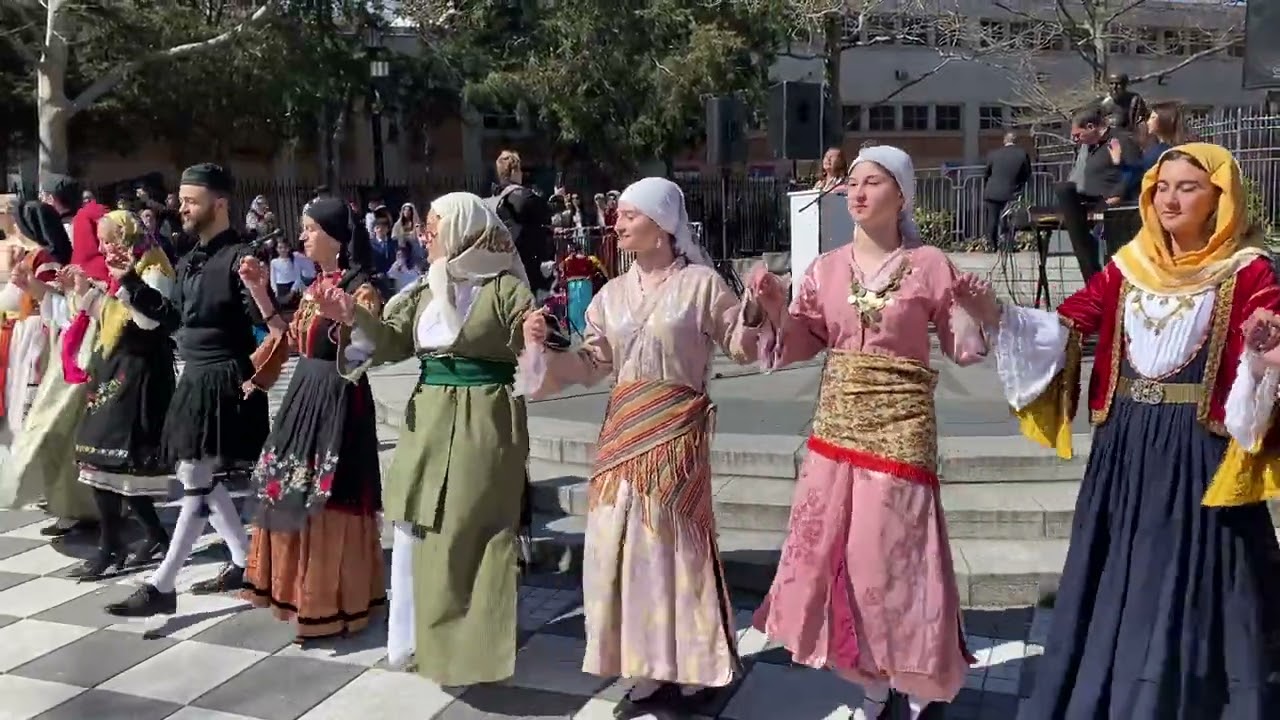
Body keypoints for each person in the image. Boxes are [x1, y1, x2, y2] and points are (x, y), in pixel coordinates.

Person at [956, 143, 1280, 719]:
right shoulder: (1132, 263)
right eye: (1162, 186)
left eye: (1187, 187)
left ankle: (1177, 698)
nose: (1170, 198)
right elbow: (1068, 323)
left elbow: (1266, 353)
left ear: (1219, 200)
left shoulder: (1248, 270)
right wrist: (997, 317)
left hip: (1196, 449)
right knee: (1117, 571)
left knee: (1189, 580)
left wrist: (1262, 358)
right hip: (1126, 445)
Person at [746, 145, 987, 720]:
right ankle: (871, 680)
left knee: (897, 557)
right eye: (852, 183)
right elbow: (804, 341)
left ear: (901, 194)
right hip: (836, 429)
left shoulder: (930, 264)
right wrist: (776, 307)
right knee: (848, 558)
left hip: (901, 427)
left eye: (873, 182)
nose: (857, 193)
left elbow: (961, 348)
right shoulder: (825, 269)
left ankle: (921, 677)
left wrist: (978, 311)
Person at [518, 177, 765, 717]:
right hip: (623, 430)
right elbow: (590, 363)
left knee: (674, 544)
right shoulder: (609, 295)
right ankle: (644, 665)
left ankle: (695, 664)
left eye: (629, 215)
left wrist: (755, 308)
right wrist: (543, 346)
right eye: (618, 214)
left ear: (662, 224)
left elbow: (744, 348)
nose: (618, 222)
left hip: (677, 430)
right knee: (621, 544)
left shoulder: (700, 284)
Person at [313, 191, 532, 684]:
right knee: (413, 522)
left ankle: (471, 649)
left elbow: (530, 338)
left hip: (484, 417)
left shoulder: (503, 289)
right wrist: (352, 316)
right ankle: (412, 641)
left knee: (470, 529)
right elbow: (388, 340)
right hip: (427, 416)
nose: (424, 234)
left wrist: (539, 332)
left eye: (434, 226)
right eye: (425, 226)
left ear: (461, 229)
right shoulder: (423, 290)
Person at [106, 163, 285, 617]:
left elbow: (269, 323)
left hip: (224, 379)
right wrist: (128, 281)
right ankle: (245, 561)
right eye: (181, 199)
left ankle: (163, 584)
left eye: (190, 199)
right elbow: (173, 319)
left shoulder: (243, 256)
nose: (180, 206)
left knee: (196, 478)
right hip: (194, 376)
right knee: (196, 478)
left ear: (219, 203)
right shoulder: (190, 258)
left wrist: (261, 290)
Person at [237, 198, 385, 641]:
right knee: (288, 490)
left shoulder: (361, 291)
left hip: (339, 400)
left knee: (329, 497)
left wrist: (344, 319)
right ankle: (301, 594)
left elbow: (365, 353)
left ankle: (333, 602)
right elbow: (289, 338)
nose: (302, 237)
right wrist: (261, 292)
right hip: (304, 397)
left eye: (310, 229)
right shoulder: (314, 286)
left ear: (336, 237)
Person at [59, 210, 176, 578]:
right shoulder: (120, 272)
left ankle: (114, 546)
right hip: (113, 369)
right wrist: (83, 290)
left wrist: (126, 280)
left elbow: (150, 320)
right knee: (104, 459)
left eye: (112, 239)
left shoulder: (154, 269)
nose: (106, 246)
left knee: (117, 459)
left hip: (140, 373)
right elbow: (109, 316)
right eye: (103, 240)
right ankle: (150, 535)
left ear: (129, 237)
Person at [0, 201, 99, 534]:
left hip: (70, 363)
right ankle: (68, 506)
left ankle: (88, 511)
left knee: (68, 436)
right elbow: (61, 310)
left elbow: (74, 315)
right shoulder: (67, 269)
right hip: (63, 359)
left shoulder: (66, 265)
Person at [1056, 105, 1142, 282]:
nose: (1076, 139)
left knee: (1113, 264)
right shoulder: (1093, 148)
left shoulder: (1121, 141)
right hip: (1095, 205)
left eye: (1078, 135)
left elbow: (1135, 171)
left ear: (1091, 127)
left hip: (1115, 209)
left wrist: (1118, 194)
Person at [489, 150, 554, 299]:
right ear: (514, 171)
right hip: (527, 267)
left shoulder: (493, 200)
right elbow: (549, 214)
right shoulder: (525, 197)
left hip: (501, 267)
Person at [981, 132, 1032, 251]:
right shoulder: (1022, 154)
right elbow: (1027, 173)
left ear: (1005, 141)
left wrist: (987, 185)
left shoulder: (993, 154)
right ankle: (1008, 245)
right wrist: (1020, 185)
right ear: (1016, 141)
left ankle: (991, 245)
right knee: (1009, 218)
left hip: (992, 191)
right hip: (1012, 191)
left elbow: (986, 173)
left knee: (992, 219)